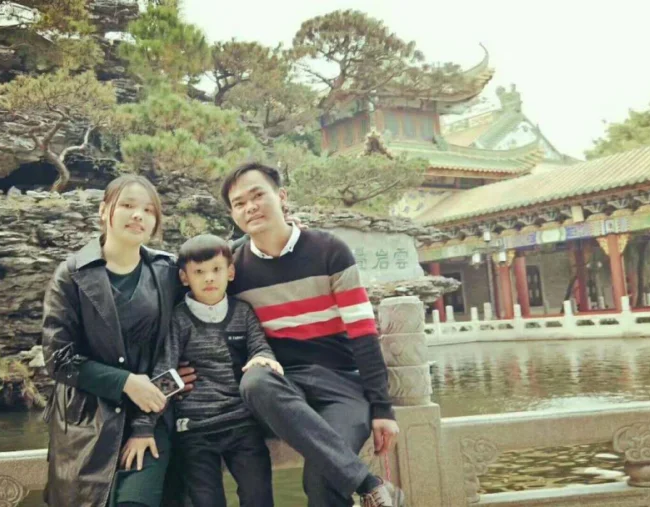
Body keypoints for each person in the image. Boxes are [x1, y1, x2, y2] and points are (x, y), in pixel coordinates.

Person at [180, 162, 406, 507]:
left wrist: (382, 408)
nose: (250, 207)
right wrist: (178, 366)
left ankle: (361, 483)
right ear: (233, 214)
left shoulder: (330, 250)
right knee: (255, 381)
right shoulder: (233, 269)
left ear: (281, 196)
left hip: (341, 384)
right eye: (239, 203)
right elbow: (190, 302)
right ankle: (369, 483)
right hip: (282, 385)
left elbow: (363, 333)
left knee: (323, 480)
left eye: (258, 196)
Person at [40, 174, 180, 507]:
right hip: (86, 422)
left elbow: (213, 282)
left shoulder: (167, 271)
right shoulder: (71, 274)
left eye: (148, 210)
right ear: (104, 211)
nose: (138, 215)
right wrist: (126, 382)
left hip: (150, 414)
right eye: (128, 205)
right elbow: (58, 358)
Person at [143, 234, 281, 507]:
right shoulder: (179, 320)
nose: (209, 278)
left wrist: (264, 358)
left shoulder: (242, 312)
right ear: (184, 278)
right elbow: (164, 371)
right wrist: (143, 427)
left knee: (258, 496)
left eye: (216, 269)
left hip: (242, 424)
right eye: (199, 272)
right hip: (194, 429)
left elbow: (260, 348)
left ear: (230, 272)